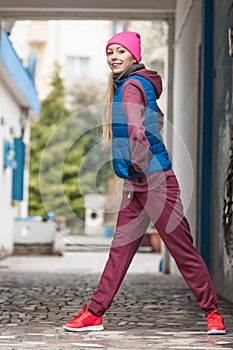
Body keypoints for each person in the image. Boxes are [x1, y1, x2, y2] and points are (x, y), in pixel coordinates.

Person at [63, 31, 226, 335]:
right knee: (120, 251)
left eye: (120, 51)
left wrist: (139, 160)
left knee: (181, 248)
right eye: (109, 51)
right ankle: (95, 313)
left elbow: (137, 129)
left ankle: (212, 312)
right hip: (137, 183)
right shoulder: (132, 84)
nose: (113, 56)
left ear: (133, 56)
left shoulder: (132, 87)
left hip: (154, 181)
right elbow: (157, 120)